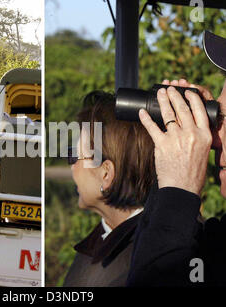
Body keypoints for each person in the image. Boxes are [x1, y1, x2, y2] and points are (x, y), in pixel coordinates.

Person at [127, 31, 226, 286]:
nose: (211, 138)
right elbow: (147, 264)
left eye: (223, 119)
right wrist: (170, 174)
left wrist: (178, 192)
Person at [62, 91, 156, 287]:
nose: (72, 167)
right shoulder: (105, 243)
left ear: (106, 174)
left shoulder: (149, 259)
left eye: (76, 157)